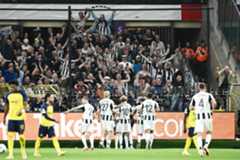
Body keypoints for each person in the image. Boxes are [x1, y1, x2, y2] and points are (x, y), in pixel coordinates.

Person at [189, 83, 216, 157]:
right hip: (208, 116)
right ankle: (206, 146)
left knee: (199, 134)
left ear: (198, 88)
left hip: (199, 118)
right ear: (205, 87)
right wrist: (212, 110)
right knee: (209, 132)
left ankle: (200, 150)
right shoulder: (209, 95)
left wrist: (196, 109)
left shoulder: (195, 96)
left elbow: (190, 107)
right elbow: (214, 103)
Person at [3, 81, 28, 160]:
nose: (11, 88)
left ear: (17, 86)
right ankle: (10, 154)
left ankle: (23, 153)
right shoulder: (8, 95)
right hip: (11, 119)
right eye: (10, 87)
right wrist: (4, 117)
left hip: (20, 119)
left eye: (13, 87)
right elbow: (7, 107)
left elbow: (25, 104)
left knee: (21, 136)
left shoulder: (22, 94)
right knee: (10, 136)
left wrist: (22, 111)